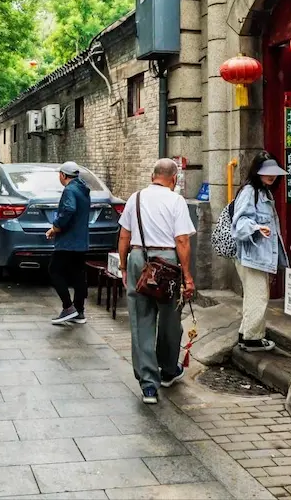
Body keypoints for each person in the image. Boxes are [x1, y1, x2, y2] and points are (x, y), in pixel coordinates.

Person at [117, 158, 196, 405]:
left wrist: (123, 266)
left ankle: (148, 385)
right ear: (173, 179)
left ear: (153, 176)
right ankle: (168, 370)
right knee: (171, 319)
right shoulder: (176, 200)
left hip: (139, 258)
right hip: (168, 262)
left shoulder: (135, 198)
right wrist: (188, 276)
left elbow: (124, 236)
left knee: (141, 322)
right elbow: (182, 241)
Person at [231, 152, 290, 353]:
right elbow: (239, 224)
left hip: (258, 255)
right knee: (258, 296)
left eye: (274, 173)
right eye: (266, 172)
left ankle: (245, 334)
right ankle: (253, 339)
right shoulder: (250, 191)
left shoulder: (263, 191)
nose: (271, 176)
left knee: (253, 296)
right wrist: (256, 228)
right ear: (257, 171)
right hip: (252, 255)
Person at [45, 162, 91, 326]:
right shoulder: (83, 189)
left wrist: (56, 227)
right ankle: (79, 311)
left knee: (54, 270)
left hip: (68, 241)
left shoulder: (70, 190)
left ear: (63, 175)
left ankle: (68, 307)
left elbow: (69, 210)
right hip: (81, 241)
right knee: (78, 275)